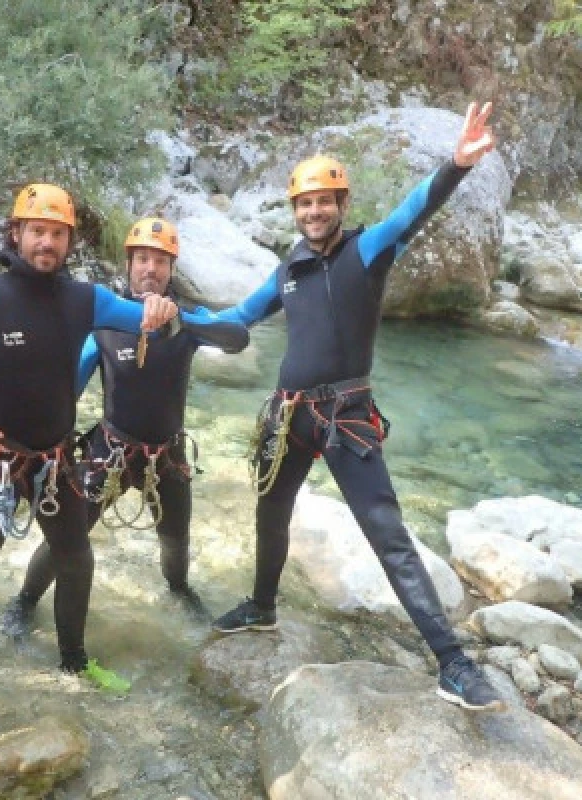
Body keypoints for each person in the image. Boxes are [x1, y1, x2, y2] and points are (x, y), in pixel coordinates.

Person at [211, 102, 507, 712]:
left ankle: (453, 663)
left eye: (324, 200)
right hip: (289, 416)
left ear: (341, 205)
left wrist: (455, 165)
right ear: (294, 211)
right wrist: (165, 321)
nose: (313, 211)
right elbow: (237, 321)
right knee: (270, 514)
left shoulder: (367, 251)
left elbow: (413, 210)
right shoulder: (287, 268)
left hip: (347, 417)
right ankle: (263, 606)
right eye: (304, 203)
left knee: (387, 534)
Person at [0, 184, 226, 696]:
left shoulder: (85, 300)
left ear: (69, 241)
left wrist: (162, 311)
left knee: (77, 558)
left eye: (57, 234)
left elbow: (140, 317)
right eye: (37, 232)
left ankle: (74, 661)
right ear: (17, 234)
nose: (46, 243)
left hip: (55, 461)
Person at [0, 217, 249, 636]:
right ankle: (25, 600)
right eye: (142, 260)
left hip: (167, 453)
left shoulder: (188, 319)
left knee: (175, 536)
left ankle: (179, 588)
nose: (150, 269)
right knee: (70, 534)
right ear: (129, 265)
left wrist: (181, 322)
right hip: (111, 450)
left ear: (171, 269)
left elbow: (237, 338)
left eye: (160, 261)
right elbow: (70, 386)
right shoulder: (106, 322)